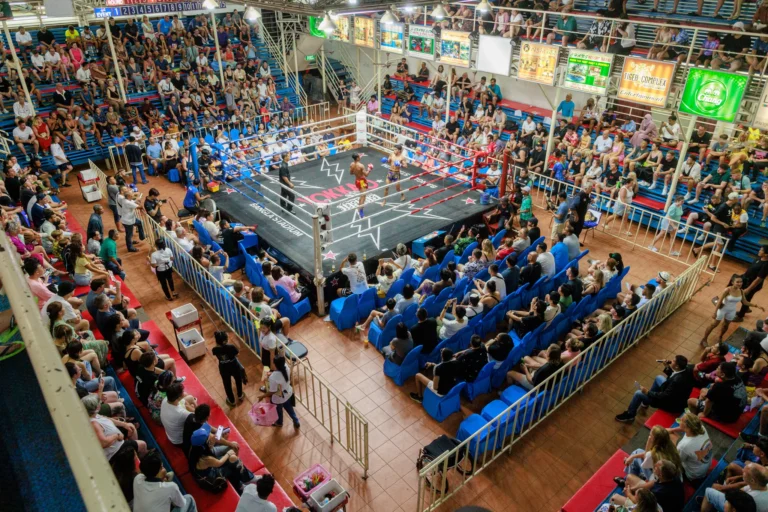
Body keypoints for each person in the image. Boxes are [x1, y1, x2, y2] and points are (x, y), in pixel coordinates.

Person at [615, 356, 694, 423]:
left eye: (673, 361)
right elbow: (673, 378)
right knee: (658, 378)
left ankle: (630, 415)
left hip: (670, 403)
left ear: (677, 366)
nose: (671, 361)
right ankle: (646, 402)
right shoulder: (686, 369)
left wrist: (648, 392)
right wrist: (667, 367)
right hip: (677, 395)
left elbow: (665, 395)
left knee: (638, 393)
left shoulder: (676, 381)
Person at [701, 274, 764, 347]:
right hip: (722, 309)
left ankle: (720, 337)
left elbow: (745, 302)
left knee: (726, 325)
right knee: (714, 324)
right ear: (732, 282)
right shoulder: (727, 290)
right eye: (737, 282)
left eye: (741, 282)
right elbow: (719, 301)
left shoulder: (741, 291)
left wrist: (757, 306)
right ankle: (704, 339)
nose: (740, 283)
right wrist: (715, 312)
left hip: (731, 311)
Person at [83, 394, 147, 461]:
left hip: (116, 440)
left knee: (131, 427)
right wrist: (117, 436)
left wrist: (124, 424)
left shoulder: (93, 414)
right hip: (114, 451)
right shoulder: (94, 424)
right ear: (97, 408)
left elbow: (106, 418)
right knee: (143, 444)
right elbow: (104, 443)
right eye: (98, 403)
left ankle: (134, 451)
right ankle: (142, 460)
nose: (100, 403)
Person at [133, 450, 197, 512]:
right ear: (157, 472)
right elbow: (181, 504)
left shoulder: (137, 479)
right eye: (162, 467)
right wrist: (167, 484)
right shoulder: (171, 487)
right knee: (189, 498)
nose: (164, 469)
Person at [610, 460, 684, 512]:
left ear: (660, 474)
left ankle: (624, 495)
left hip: (650, 508)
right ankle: (627, 486)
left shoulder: (657, 493)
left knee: (613, 498)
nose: (654, 466)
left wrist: (629, 494)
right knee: (629, 477)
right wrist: (633, 488)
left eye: (655, 468)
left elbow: (643, 504)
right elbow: (654, 482)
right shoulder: (673, 476)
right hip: (656, 504)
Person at [667, 412, 713, 484]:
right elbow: (683, 429)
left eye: (681, 420)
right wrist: (672, 430)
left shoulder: (684, 446)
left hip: (693, 475)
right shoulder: (701, 428)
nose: (680, 419)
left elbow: (677, 462)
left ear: (687, 427)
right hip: (706, 465)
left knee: (670, 438)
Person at [261, 356, 299, 428]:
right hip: (288, 393)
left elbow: (272, 391)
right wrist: (272, 373)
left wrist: (263, 396)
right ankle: (296, 420)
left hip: (279, 398)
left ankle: (279, 422)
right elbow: (280, 374)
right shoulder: (286, 368)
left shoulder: (273, 377)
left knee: (279, 410)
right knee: (290, 409)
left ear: (275, 365)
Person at [736, 246, 768, 322]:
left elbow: (759, 279)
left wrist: (749, 289)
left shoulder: (766, 265)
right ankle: (746, 308)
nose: (759, 251)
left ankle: (740, 316)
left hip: (753, 285)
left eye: (761, 250)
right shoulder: (759, 258)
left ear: (766, 254)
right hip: (746, 280)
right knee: (742, 295)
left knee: (746, 298)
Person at [213, 331, 245, 407]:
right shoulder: (231, 347)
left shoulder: (215, 349)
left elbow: (217, 355)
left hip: (223, 368)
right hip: (234, 366)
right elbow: (237, 354)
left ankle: (231, 400)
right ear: (225, 341)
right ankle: (240, 395)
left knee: (227, 384)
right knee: (238, 380)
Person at [349, 153, 370, 218]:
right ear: (357, 158)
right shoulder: (361, 166)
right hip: (362, 181)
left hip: (357, 180)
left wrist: (357, 172)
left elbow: (351, 173)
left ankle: (359, 209)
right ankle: (361, 214)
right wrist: (369, 169)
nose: (360, 157)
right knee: (363, 197)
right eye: (359, 156)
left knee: (362, 196)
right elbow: (366, 174)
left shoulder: (352, 164)